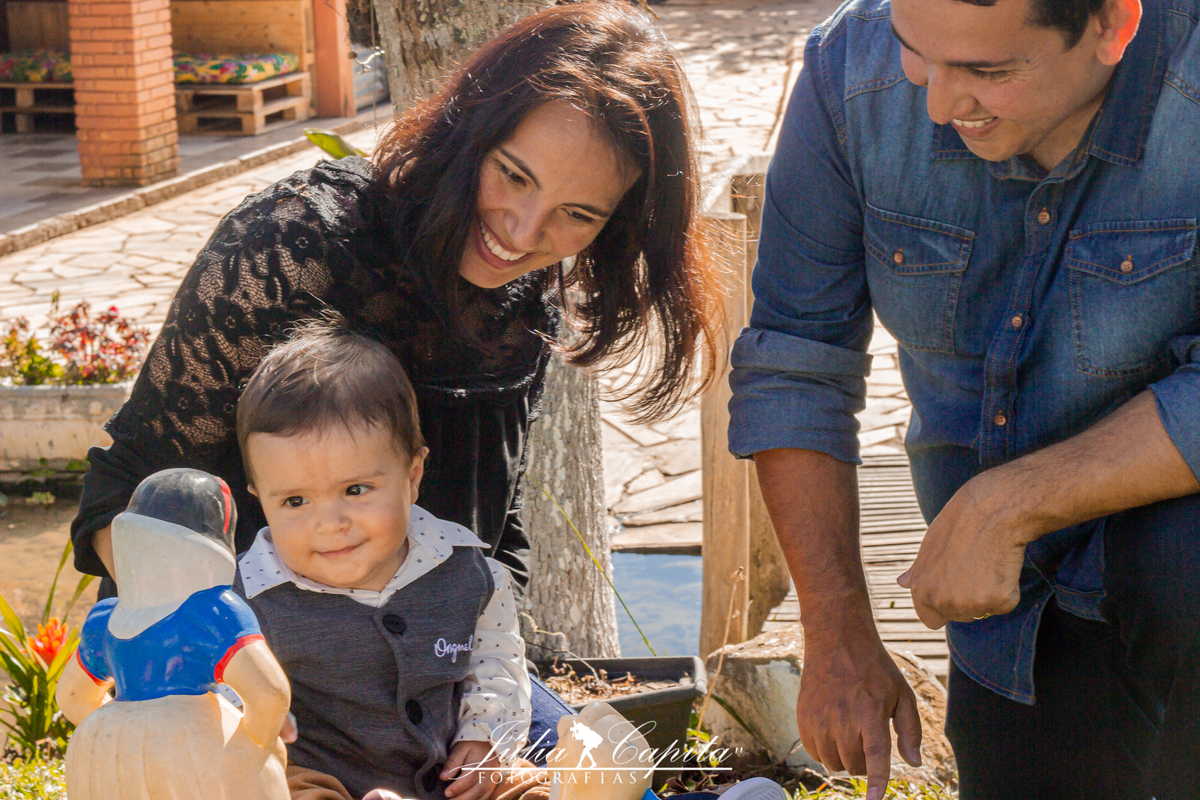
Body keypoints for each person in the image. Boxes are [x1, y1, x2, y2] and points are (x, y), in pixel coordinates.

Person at [68, 0, 719, 757]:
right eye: (513, 174)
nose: (523, 229)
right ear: (469, 129)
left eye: (576, 214)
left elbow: (492, 543)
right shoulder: (292, 248)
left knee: (605, 771)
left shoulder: (527, 305)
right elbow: (127, 498)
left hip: (435, 688)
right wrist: (238, 703)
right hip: (247, 679)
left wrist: (488, 727)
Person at [726, 0, 1200, 796]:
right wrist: (837, 631)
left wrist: (1014, 499)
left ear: (1113, 26)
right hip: (1005, 615)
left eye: (987, 72)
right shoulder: (850, 67)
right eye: (918, 53)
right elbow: (796, 364)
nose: (939, 107)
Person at [232, 322, 790, 800]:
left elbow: (495, 662)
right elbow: (223, 709)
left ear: (412, 476)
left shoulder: (464, 571)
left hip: (460, 781)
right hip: (331, 787)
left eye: (355, 489)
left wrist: (485, 738)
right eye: (295, 501)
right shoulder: (247, 601)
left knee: (550, 785)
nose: (328, 522)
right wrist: (280, 775)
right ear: (260, 496)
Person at [56, 469, 290, 800]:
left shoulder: (104, 618)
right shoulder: (210, 611)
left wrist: (120, 731)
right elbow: (270, 695)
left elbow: (72, 697)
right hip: (189, 747)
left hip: (107, 753)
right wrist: (252, 745)